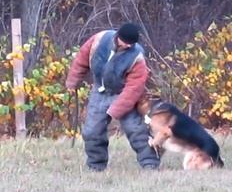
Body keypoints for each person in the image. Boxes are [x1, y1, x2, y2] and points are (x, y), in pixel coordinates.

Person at [65, 23, 160, 171]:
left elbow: (134, 88)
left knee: (135, 129)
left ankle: (149, 162)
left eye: (131, 44)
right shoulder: (99, 40)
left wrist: (115, 110)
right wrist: (73, 81)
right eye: (126, 43)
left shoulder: (137, 57)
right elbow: (81, 59)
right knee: (91, 131)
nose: (128, 46)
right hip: (99, 91)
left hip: (122, 93)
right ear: (118, 37)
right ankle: (96, 165)